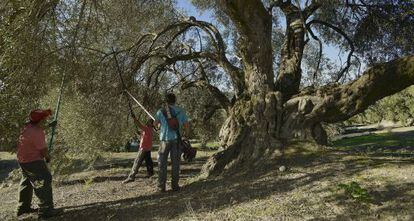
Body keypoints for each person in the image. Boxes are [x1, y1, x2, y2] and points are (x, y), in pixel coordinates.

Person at [16, 109, 63, 219]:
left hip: (23, 160)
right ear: (40, 120)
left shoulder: (26, 126)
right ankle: (46, 210)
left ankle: (22, 208)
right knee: (44, 180)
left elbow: (35, 130)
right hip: (33, 161)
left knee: (27, 182)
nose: (46, 120)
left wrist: (49, 126)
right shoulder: (37, 132)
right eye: (44, 119)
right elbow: (43, 150)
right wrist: (47, 157)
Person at [154, 93, 190, 192]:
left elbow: (156, 125)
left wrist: (158, 127)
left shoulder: (160, 111)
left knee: (162, 164)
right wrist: (186, 136)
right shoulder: (180, 111)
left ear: (166, 101)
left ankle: (161, 187)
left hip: (164, 140)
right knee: (176, 163)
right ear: (175, 100)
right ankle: (175, 186)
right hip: (176, 140)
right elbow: (186, 125)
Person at [122, 117, 155, 183]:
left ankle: (131, 177)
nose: (148, 122)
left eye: (149, 122)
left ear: (150, 123)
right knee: (149, 163)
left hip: (143, 149)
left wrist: (135, 119)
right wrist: (140, 133)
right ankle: (151, 175)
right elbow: (144, 135)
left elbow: (139, 125)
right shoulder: (150, 130)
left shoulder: (146, 129)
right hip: (148, 149)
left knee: (136, 162)